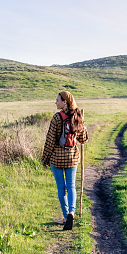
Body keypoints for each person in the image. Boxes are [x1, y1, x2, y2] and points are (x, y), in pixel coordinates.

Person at [42, 91, 88, 230]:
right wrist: (82, 124)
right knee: (71, 186)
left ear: (65, 102)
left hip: (56, 159)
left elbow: (50, 141)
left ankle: (65, 215)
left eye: (57, 100)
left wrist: (44, 159)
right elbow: (83, 139)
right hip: (72, 158)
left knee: (61, 188)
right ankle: (71, 213)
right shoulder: (77, 116)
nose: (55, 102)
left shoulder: (57, 118)